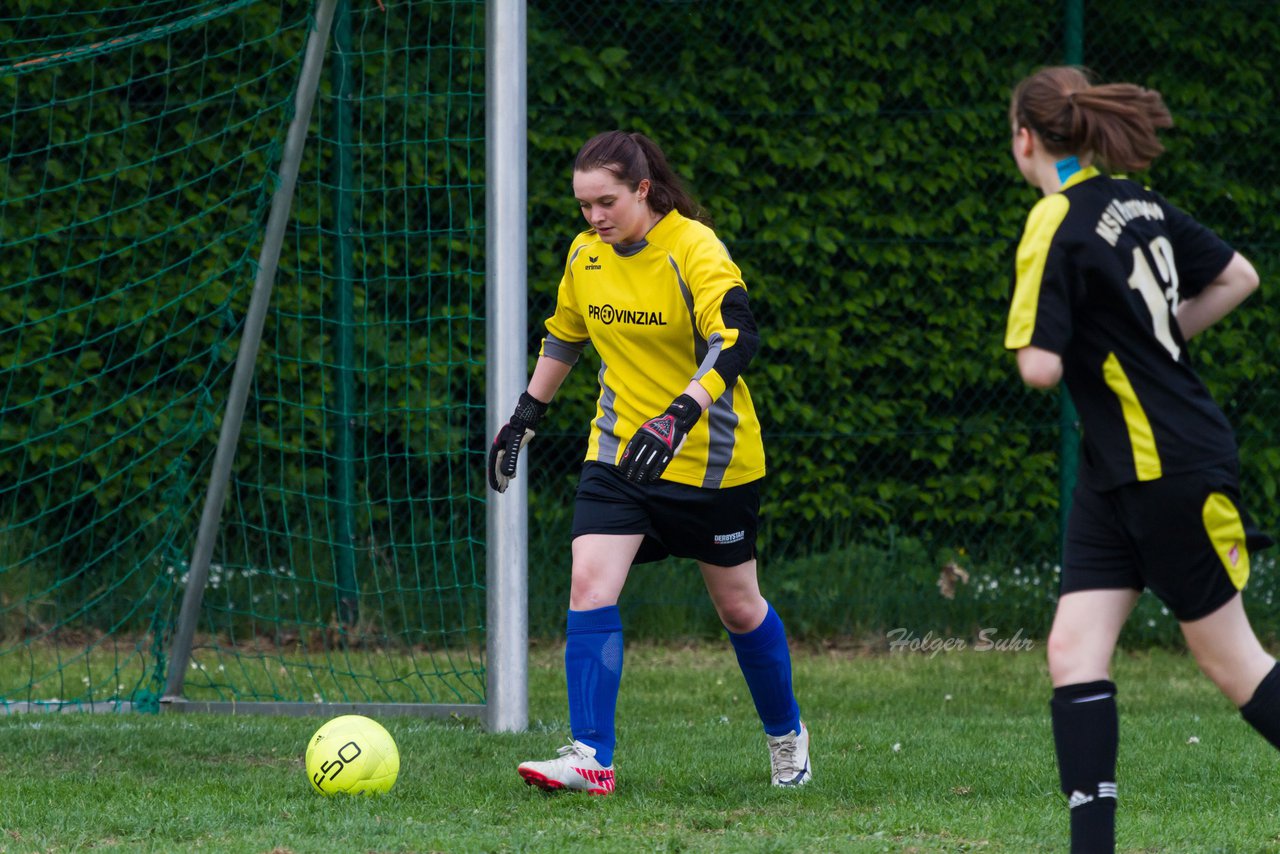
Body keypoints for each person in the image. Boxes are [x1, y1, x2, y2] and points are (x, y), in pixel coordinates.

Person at [1004, 66, 1280, 852]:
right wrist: (1153, 343)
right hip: (1116, 466)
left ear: (1025, 136)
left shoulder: (1055, 218)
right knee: (1073, 650)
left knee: (1234, 664)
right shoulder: (1137, 203)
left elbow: (1040, 367)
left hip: (1168, 465)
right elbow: (1239, 277)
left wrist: (1103, 345)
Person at [487, 129, 810, 795]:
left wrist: (681, 412)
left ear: (642, 189)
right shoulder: (587, 256)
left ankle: (787, 740)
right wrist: (525, 415)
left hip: (711, 460)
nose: (595, 218)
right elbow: (565, 338)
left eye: (606, 202)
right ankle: (590, 758)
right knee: (590, 584)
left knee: (740, 608)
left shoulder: (693, 247)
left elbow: (737, 337)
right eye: (583, 206)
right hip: (620, 455)